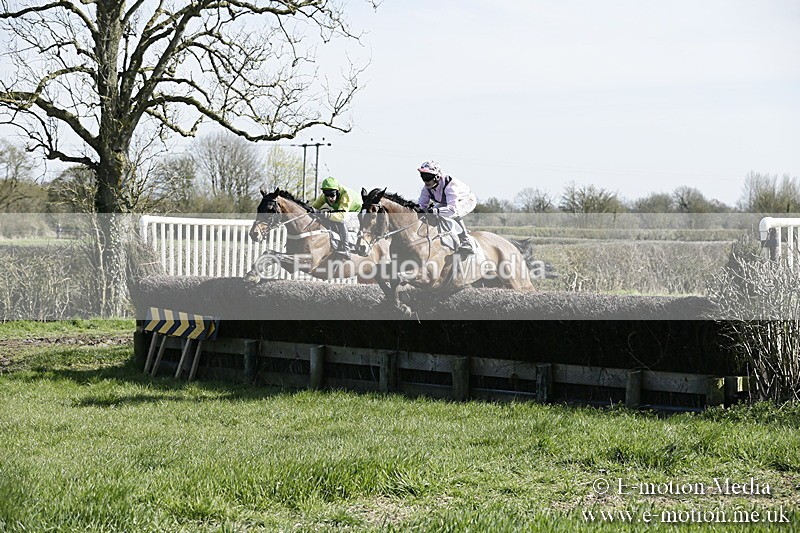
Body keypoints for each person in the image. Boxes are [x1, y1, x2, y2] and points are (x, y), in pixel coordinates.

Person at [416, 160, 477, 255]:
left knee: (452, 214)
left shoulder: (450, 185)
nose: (425, 180)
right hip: (447, 203)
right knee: (431, 214)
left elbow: (452, 210)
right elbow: (421, 206)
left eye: (428, 177)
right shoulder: (426, 189)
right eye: (423, 177)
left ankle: (466, 241)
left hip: (466, 200)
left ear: (437, 176)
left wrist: (434, 211)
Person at [310, 176, 362, 257]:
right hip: (342, 210)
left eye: (332, 195)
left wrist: (323, 214)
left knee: (340, 220)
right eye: (326, 194)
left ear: (337, 192)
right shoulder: (324, 197)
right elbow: (313, 208)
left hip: (357, 211)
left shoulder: (345, 195)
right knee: (328, 216)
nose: (329, 198)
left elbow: (341, 217)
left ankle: (346, 249)